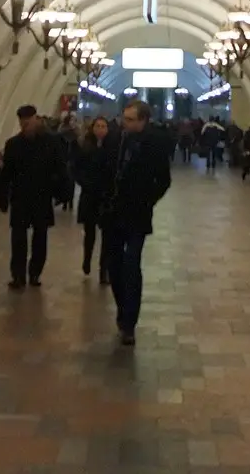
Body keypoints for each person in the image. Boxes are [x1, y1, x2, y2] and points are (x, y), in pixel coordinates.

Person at [99, 99, 172, 346]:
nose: (124, 123)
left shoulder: (156, 143)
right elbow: (102, 170)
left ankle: (129, 322)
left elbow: (163, 179)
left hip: (137, 214)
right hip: (112, 213)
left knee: (131, 265)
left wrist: (147, 200)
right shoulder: (114, 140)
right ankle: (122, 309)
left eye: (130, 120)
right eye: (124, 118)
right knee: (114, 266)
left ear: (143, 120)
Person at [0, 105, 69, 288]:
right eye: (22, 123)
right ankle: (18, 275)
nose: (25, 126)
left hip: (42, 196)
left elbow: (60, 168)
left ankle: (35, 273)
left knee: (40, 237)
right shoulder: (13, 144)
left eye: (28, 122)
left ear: (36, 119)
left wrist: (61, 193)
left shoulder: (51, 142)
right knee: (18, 239)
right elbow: (7, 173)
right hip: (20, 197)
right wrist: (3, 196)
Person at [73, 115, 112, 283]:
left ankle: (104, 270)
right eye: (98, 126)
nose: (101, 129)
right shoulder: (84, 147)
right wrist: (85, 183)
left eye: (104, 126)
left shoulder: (113, 148)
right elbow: (76, 169)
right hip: (89, 195)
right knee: (89, 232)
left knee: (107, 235)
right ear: (93, 128)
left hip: (106, 197)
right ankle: (87, 259)